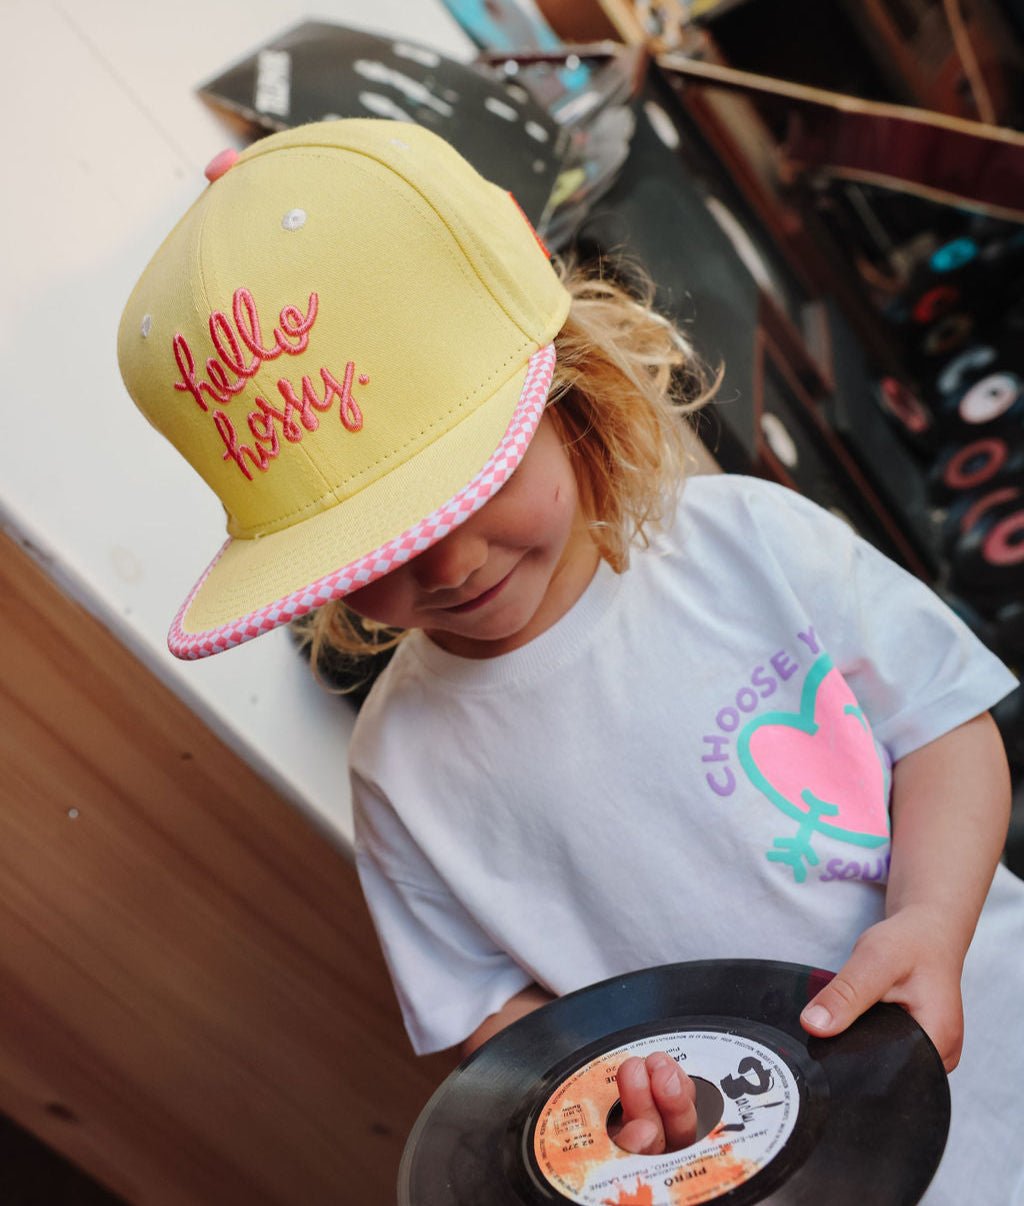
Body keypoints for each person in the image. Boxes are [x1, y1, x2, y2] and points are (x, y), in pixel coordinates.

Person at [117, 118, 1023, 1202]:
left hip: (994, 1017)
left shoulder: (748, 542)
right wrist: (605, 1099)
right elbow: (486, 1013)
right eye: (374, 548)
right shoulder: (398, 766)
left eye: (475, 479)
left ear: (568, 390)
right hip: (756, 1167)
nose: (451, 563)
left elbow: (943, 727)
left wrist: (928, 920)